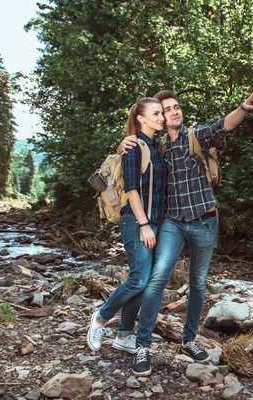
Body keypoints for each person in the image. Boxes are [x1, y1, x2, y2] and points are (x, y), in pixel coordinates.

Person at [118, 88, 253, 376]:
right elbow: (133, 162)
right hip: (173, 222)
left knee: (198, 284)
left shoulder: (197, 136)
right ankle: (142, 346)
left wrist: (244, 108)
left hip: (205, 221)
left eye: (176, 107)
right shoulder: (155, 147)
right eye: (165, 109)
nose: (173, 111)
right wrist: (123, 146)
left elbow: (225, 125)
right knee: (157, 278)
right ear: (158, 117)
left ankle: (188, 340)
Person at [86, 98, 167, 370]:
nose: (161, 118)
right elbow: (132, 189)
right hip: (136, 221)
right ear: (141, 118)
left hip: (155, 222)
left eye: (161, 113)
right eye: (156, 114)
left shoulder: (157, 146)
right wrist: (144, 224)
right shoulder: (134, 147)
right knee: (138, 279)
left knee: (145, 284)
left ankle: (123, 336)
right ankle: (100, 318)